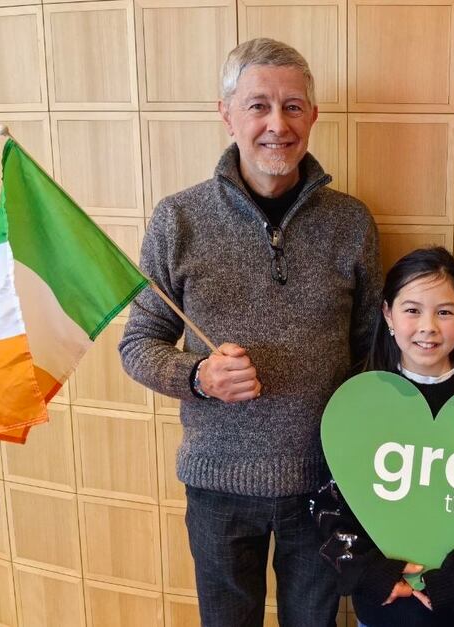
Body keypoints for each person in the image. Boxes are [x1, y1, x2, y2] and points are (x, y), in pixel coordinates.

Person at [118, 38, 381, 627]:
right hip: (217, 486)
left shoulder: (351, 223)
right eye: (258, 105)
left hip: (325, 485)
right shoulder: (178, 219)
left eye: (293, 106)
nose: (277, 125)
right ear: (226, 114)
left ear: (313, 116)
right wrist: (199, 376)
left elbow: (371, 353)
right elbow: (137, 344)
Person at [311, 247, 454, 627]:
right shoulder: (357, 401)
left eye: (444, 312)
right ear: (387, 315)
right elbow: (327, 500)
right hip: (380, 610)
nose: (428, 326)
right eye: (412, 310)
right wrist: (370, 571)